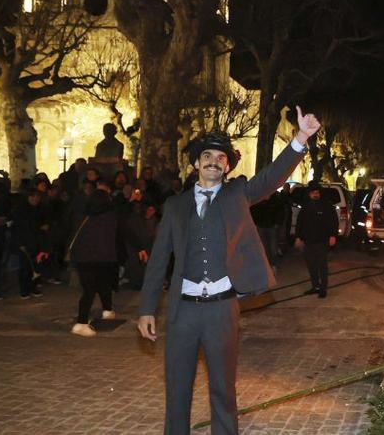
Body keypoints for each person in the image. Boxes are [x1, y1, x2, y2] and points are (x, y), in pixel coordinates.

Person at [137, 106, 320, 435]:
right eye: (207, 156)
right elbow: (158, 259)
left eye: (220, 158)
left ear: (227, 166)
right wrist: (147, 309)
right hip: (182, 312)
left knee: (223, 389)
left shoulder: (237, 194)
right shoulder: (175, 206)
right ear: (196, 163)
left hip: (222, 310)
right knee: (177, 389)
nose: (213, 162)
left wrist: (301, 138)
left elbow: (271, 177)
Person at [68, 189, 118, 337]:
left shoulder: (82, 215)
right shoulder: (111, 216)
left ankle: (106, 311)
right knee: (100, 285)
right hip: (103, 257)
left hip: (83, 258)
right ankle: (81, 323)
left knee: (90, 288)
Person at [295, 183, 338, 298]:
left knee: (322, 265)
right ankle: (315, 286)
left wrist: (333, 235)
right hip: (308, 241)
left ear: (320, 193)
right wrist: (298, 237)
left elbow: (334, 221)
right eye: (313, 193)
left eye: (317, 192)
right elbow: (300, 222)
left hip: (322, 241)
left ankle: (323, 288)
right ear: (309, 194)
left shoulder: (327, 206)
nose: (315, 194)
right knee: (311, 265)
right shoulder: (306, 207)